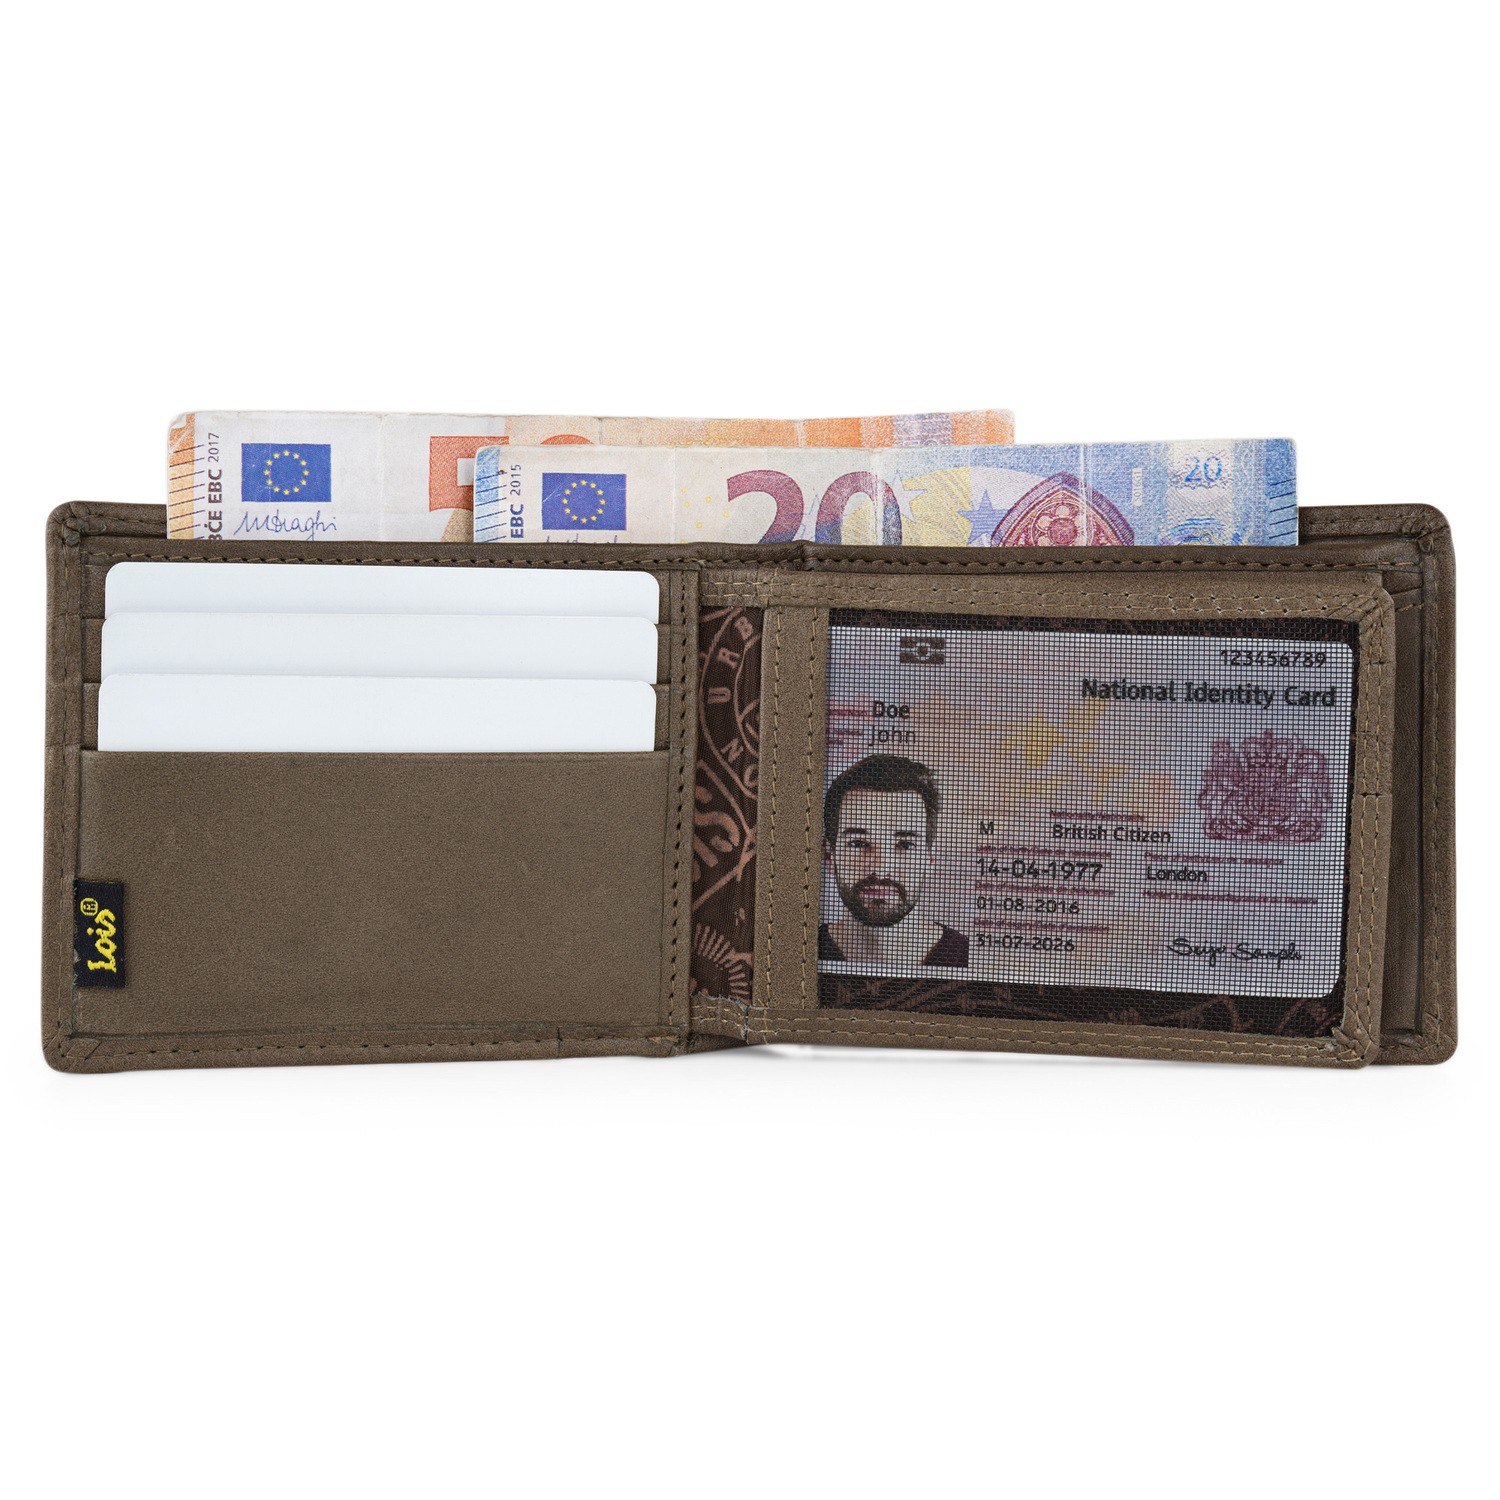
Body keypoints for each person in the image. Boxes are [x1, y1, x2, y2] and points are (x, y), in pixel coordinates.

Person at [819, 753, 969, 969]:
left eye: (905, 845)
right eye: (858, 843)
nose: (881, 869)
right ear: (829, 855)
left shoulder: (970, 958)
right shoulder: (799, 953)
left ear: (929, 858)